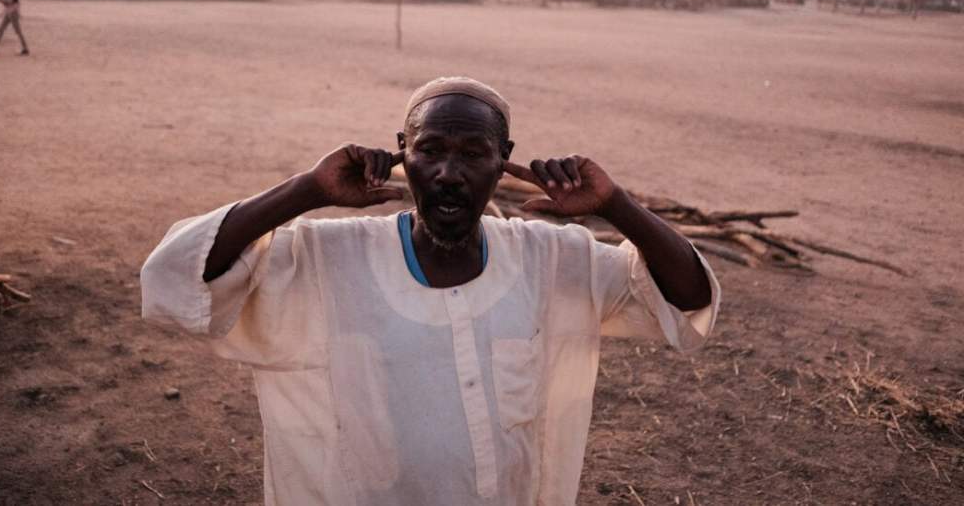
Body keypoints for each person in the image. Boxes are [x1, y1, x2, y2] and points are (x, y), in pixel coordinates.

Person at [141, 77, 719, 505]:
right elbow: (174, 276)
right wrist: (307, 190)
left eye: (473, 154)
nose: (448, 173)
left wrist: (616, 205)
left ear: (503, 161)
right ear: (403, 153)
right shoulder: (327, 258)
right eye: (430, 150)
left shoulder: (552, 260)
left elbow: (688, 298)